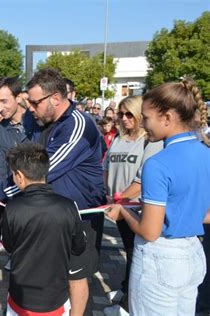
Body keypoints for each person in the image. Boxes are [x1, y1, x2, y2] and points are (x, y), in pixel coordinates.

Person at [106, 78, 210, 315]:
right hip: (193, 255)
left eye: (147, 117)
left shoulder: (158, 164)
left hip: (161, 259)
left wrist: (124, 211)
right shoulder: (205, 152)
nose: (144, 124)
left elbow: (149, 231)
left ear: (168, 118)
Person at [26, 68, 106, 316]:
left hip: (79, 216)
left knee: (77, 276)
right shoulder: (43, 124)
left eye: (34, 102)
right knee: (55, 273)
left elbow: (42, 170)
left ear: (56, 98)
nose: (30, 107)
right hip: (53, 215)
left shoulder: (78, 124)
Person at [2, 143, 86, 315]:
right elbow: (79, 246)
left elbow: (9, 246)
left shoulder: (12, 208)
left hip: (21, 297)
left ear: (19, 176)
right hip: (55, 298)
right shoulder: (68, 206)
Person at [102, 96, 162, 315]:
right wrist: (109, 194)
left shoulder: (149, 141)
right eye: (121, 114)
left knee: (136, 254)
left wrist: (120, 200)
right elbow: (106, 166)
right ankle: (126, 288)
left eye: (130, 114)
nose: (124, 119)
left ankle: (129, 304)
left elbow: (142, 179)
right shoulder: (118, 138)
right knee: (130, 251)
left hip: (136, 208)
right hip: (118, 205)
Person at [0, 77, 40, 254]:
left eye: (4, 101)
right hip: (14, 200)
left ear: (19, 97)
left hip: (42, 201)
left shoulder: (38, 122)